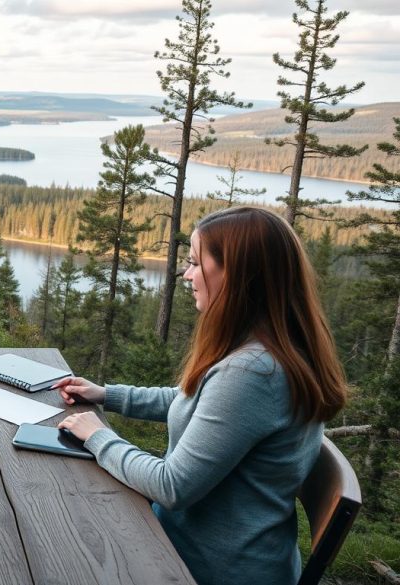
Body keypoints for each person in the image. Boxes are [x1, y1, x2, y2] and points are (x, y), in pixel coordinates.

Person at [54, 206, 347, 585]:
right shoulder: (265, 350)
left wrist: (97, 436)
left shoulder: (253, 373)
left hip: (209, 569)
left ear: (240, 275)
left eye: (195, 262)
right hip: (204, 552)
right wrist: (107, 395)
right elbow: (192, 400)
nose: (187, 274)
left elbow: (171, 487)